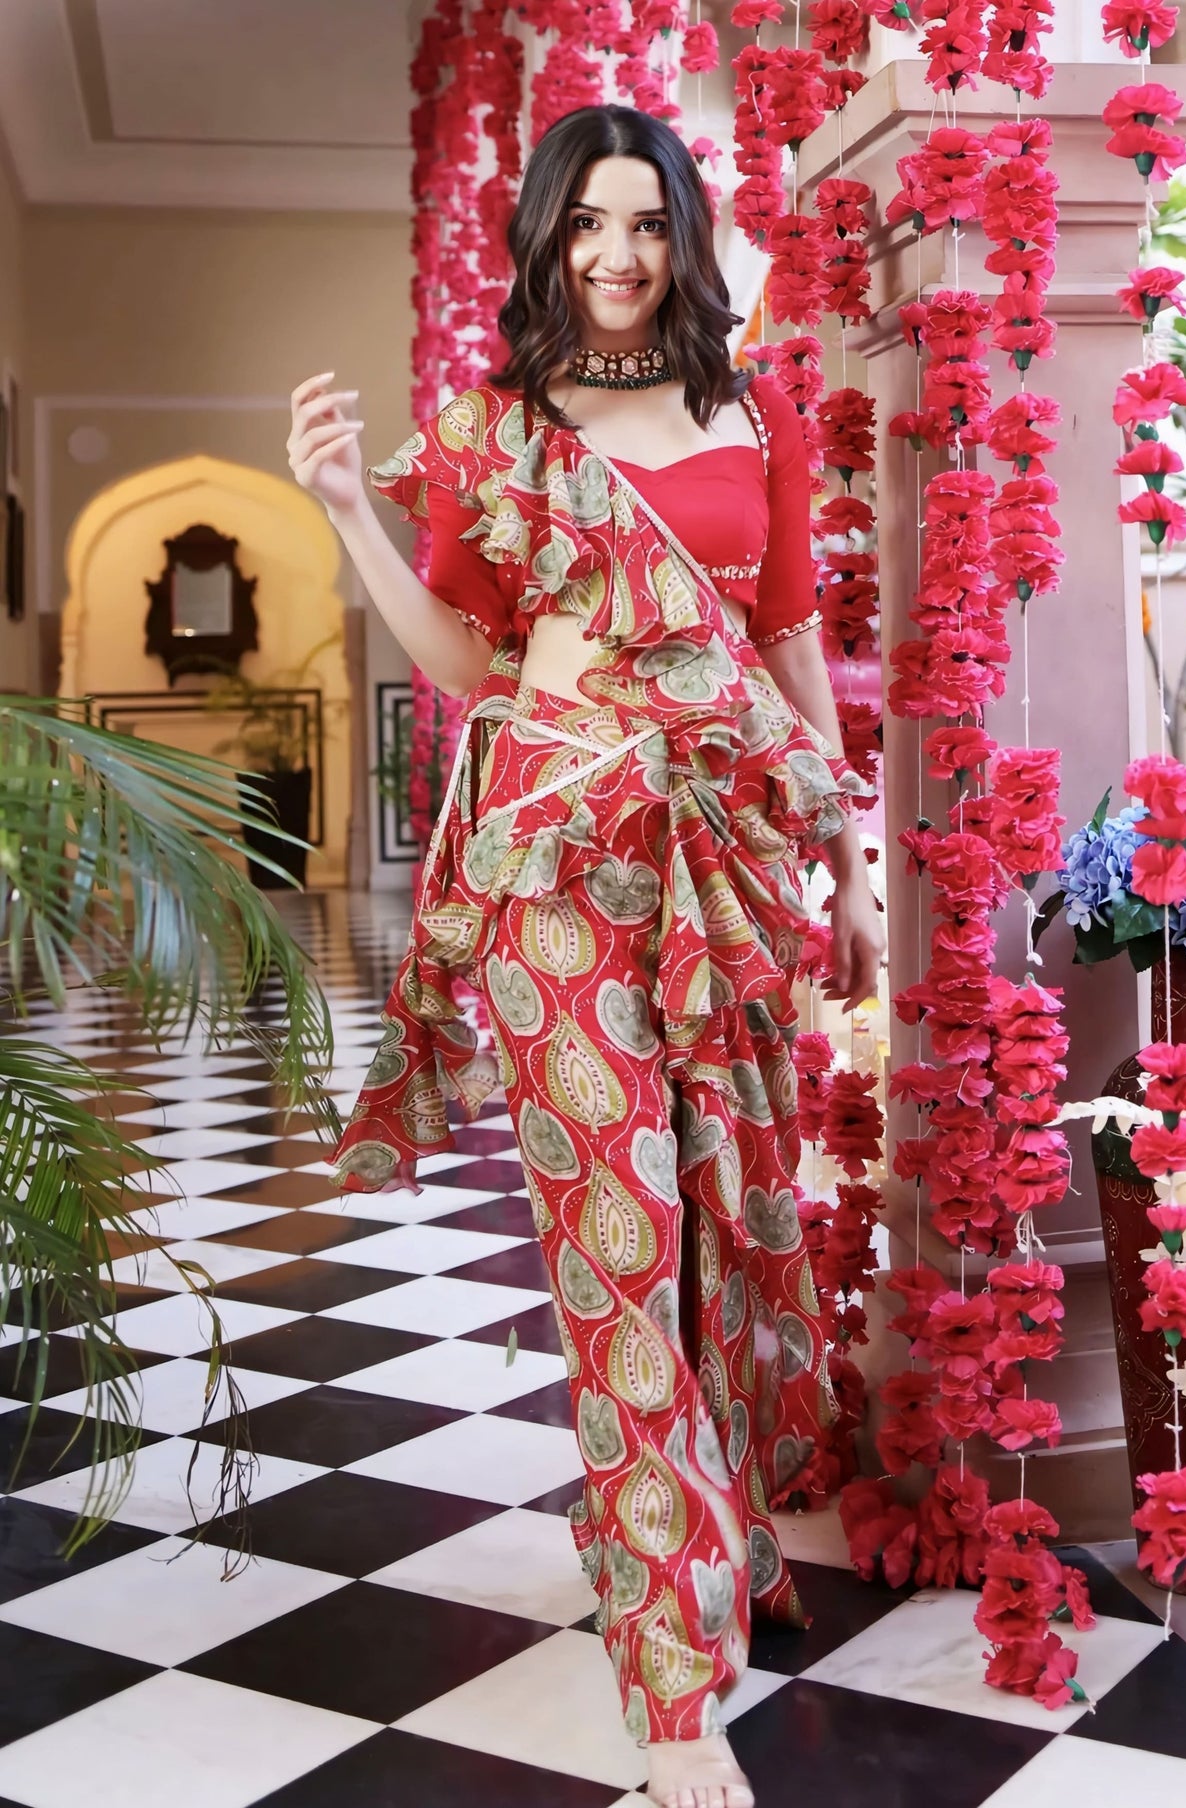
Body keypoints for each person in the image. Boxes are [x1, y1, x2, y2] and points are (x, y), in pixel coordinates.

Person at [288, 102, 883, 1808]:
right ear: (543, 236)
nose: (615, 256)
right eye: (586, 225)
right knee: (611, 1229)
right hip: (556, 847)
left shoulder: (743, 411)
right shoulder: (492, 433)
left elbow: (789, 646)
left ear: (681, 238)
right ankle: (669, 1665)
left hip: (723, 855)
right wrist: (349, 509)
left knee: (714, 1219)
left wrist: (839, 859)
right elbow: (475, 668)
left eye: (645, 224)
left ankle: (708, 1539)